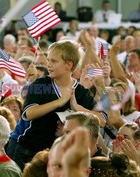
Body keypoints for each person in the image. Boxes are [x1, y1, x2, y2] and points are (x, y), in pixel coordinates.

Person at [6, 41, 106, 170]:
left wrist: (77, 108)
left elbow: (102, 120)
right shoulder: (41, 84)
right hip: (26, 149)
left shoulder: (81, 92)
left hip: (56, 154)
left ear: (68, 64)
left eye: (54, 61)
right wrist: (59, 101)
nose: (48, 64)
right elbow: (29, 113)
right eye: (48, 60)